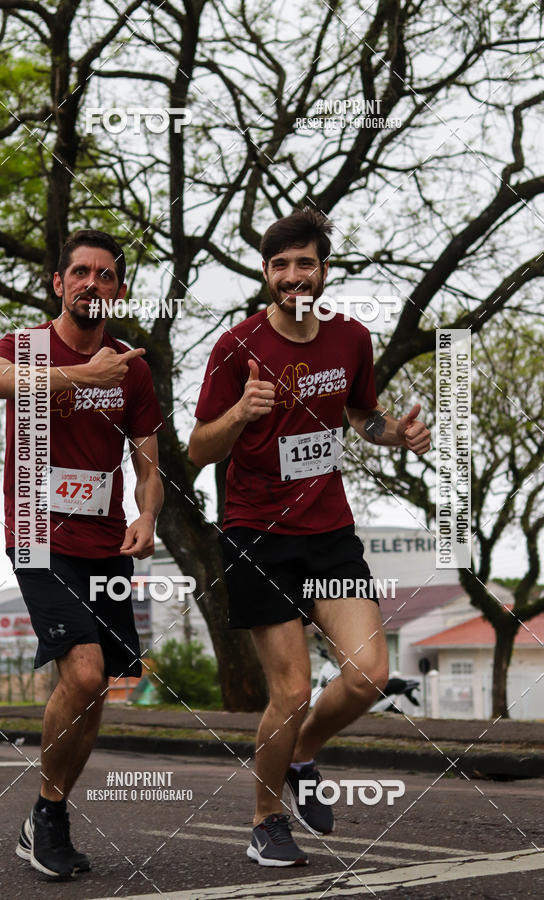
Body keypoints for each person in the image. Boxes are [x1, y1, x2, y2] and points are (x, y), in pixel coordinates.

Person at [189, 207, 430, 867]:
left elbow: (361, 414)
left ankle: (301, 753)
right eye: (280, 265)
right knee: (291, 691)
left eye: (305, 263)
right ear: (267, 274)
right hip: (256, 534)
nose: (293, 275)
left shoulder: (351, 338)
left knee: (369, 675)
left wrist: (397, 435)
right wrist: (240, 411)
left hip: (327, 530)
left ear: (324, 270)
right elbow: (198, 448)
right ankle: (266, 819)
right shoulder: (236, 347)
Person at [0, 229, 164, 879]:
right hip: (36, 533)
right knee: (81, 676)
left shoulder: (133, 368)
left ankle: (45, 812)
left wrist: (149, 511)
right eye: (79, 272)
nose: (91, 283)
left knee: (98, 688)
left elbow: (147, 464)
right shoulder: (26, 347)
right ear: (58, 283)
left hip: (105, 542)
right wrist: (80, 374)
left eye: (105, 275)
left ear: (119, 290)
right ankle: (50, 817)